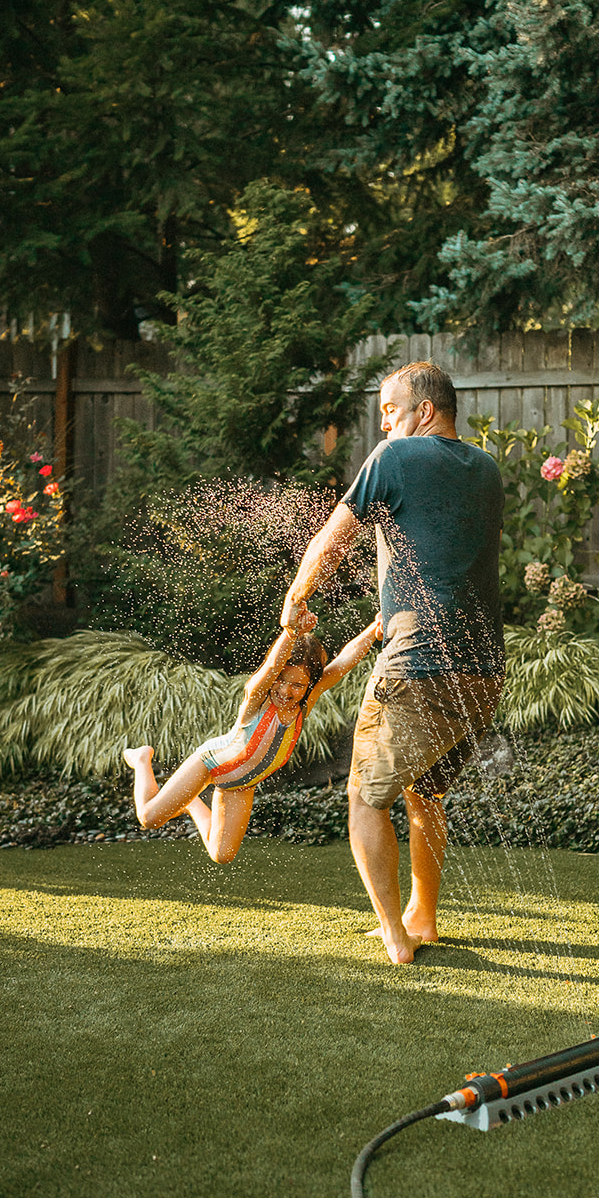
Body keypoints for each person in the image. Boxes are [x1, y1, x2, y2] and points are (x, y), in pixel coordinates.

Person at [280, 361, 504, 964]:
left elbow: (334, 539)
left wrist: (296, 600)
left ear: (424, 410)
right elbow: (441, 555)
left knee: (364, 798)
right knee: (425, 793)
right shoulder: (486, 469)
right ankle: (422, 916)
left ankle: (395, 936)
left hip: (416, 666)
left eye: (390, 409)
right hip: (482, 671)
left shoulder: (395, 458)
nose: (383, 424)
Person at [124, 613, 382, 863]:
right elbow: (271, 666)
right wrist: (291, 633)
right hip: (210, 763)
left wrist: (374, 629)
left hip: (242, 784)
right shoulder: (257, 698)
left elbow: (343, 663)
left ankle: (191, 802)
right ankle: (141, 758)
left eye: (297, 685)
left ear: (309, 685)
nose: (285, 690)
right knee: (149, 817)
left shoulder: (304, 704)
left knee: (221, 855)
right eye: (280, 680)